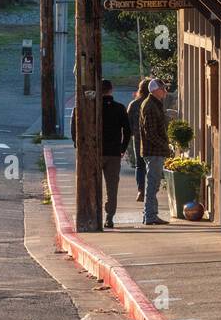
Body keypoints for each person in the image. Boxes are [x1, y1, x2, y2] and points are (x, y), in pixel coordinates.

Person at [71, 79, 131, 230]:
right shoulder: (119, 108)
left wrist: (78, 146)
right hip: (113, 153)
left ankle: (93, 215)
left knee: (92, 185)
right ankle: (109, 217)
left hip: (93, 152)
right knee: (112, 187)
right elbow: (128, 131)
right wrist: (122, 148)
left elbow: (75, 126)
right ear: (111, 90)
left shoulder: (91, 108)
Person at [138, 78, 169, 226]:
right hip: (154, 151)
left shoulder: (154, 104)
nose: (165, 91)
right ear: (156, 90)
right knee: (152, 184)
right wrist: (165, 146)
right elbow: (150, 133)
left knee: (154, 184)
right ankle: (149, 215)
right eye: (163, 89)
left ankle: (151, 214)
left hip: (155, 151)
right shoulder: (150, 106)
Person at [126, 77, 151, 203]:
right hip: (152, 140)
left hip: (138, 139)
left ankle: (141, 190)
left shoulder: (134, 104)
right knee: (151, 166)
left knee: (139, 166)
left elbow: (127, 123)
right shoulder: (154, 103)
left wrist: (129, 136)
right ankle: (151, 191)